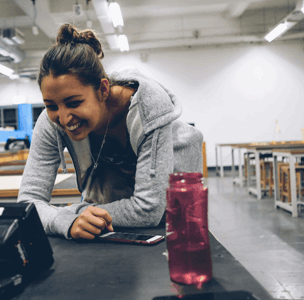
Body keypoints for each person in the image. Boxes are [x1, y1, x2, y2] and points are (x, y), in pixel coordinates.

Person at [17, 24, 203, 240]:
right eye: (51, 106)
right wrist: (65, 221)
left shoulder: (148, 106)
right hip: (112, 196)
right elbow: (28, 203)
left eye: (74, 103)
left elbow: (149, 210)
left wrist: (73, 211)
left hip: (175, 184)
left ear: (103, 90)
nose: (64, 118)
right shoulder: (52, 122)